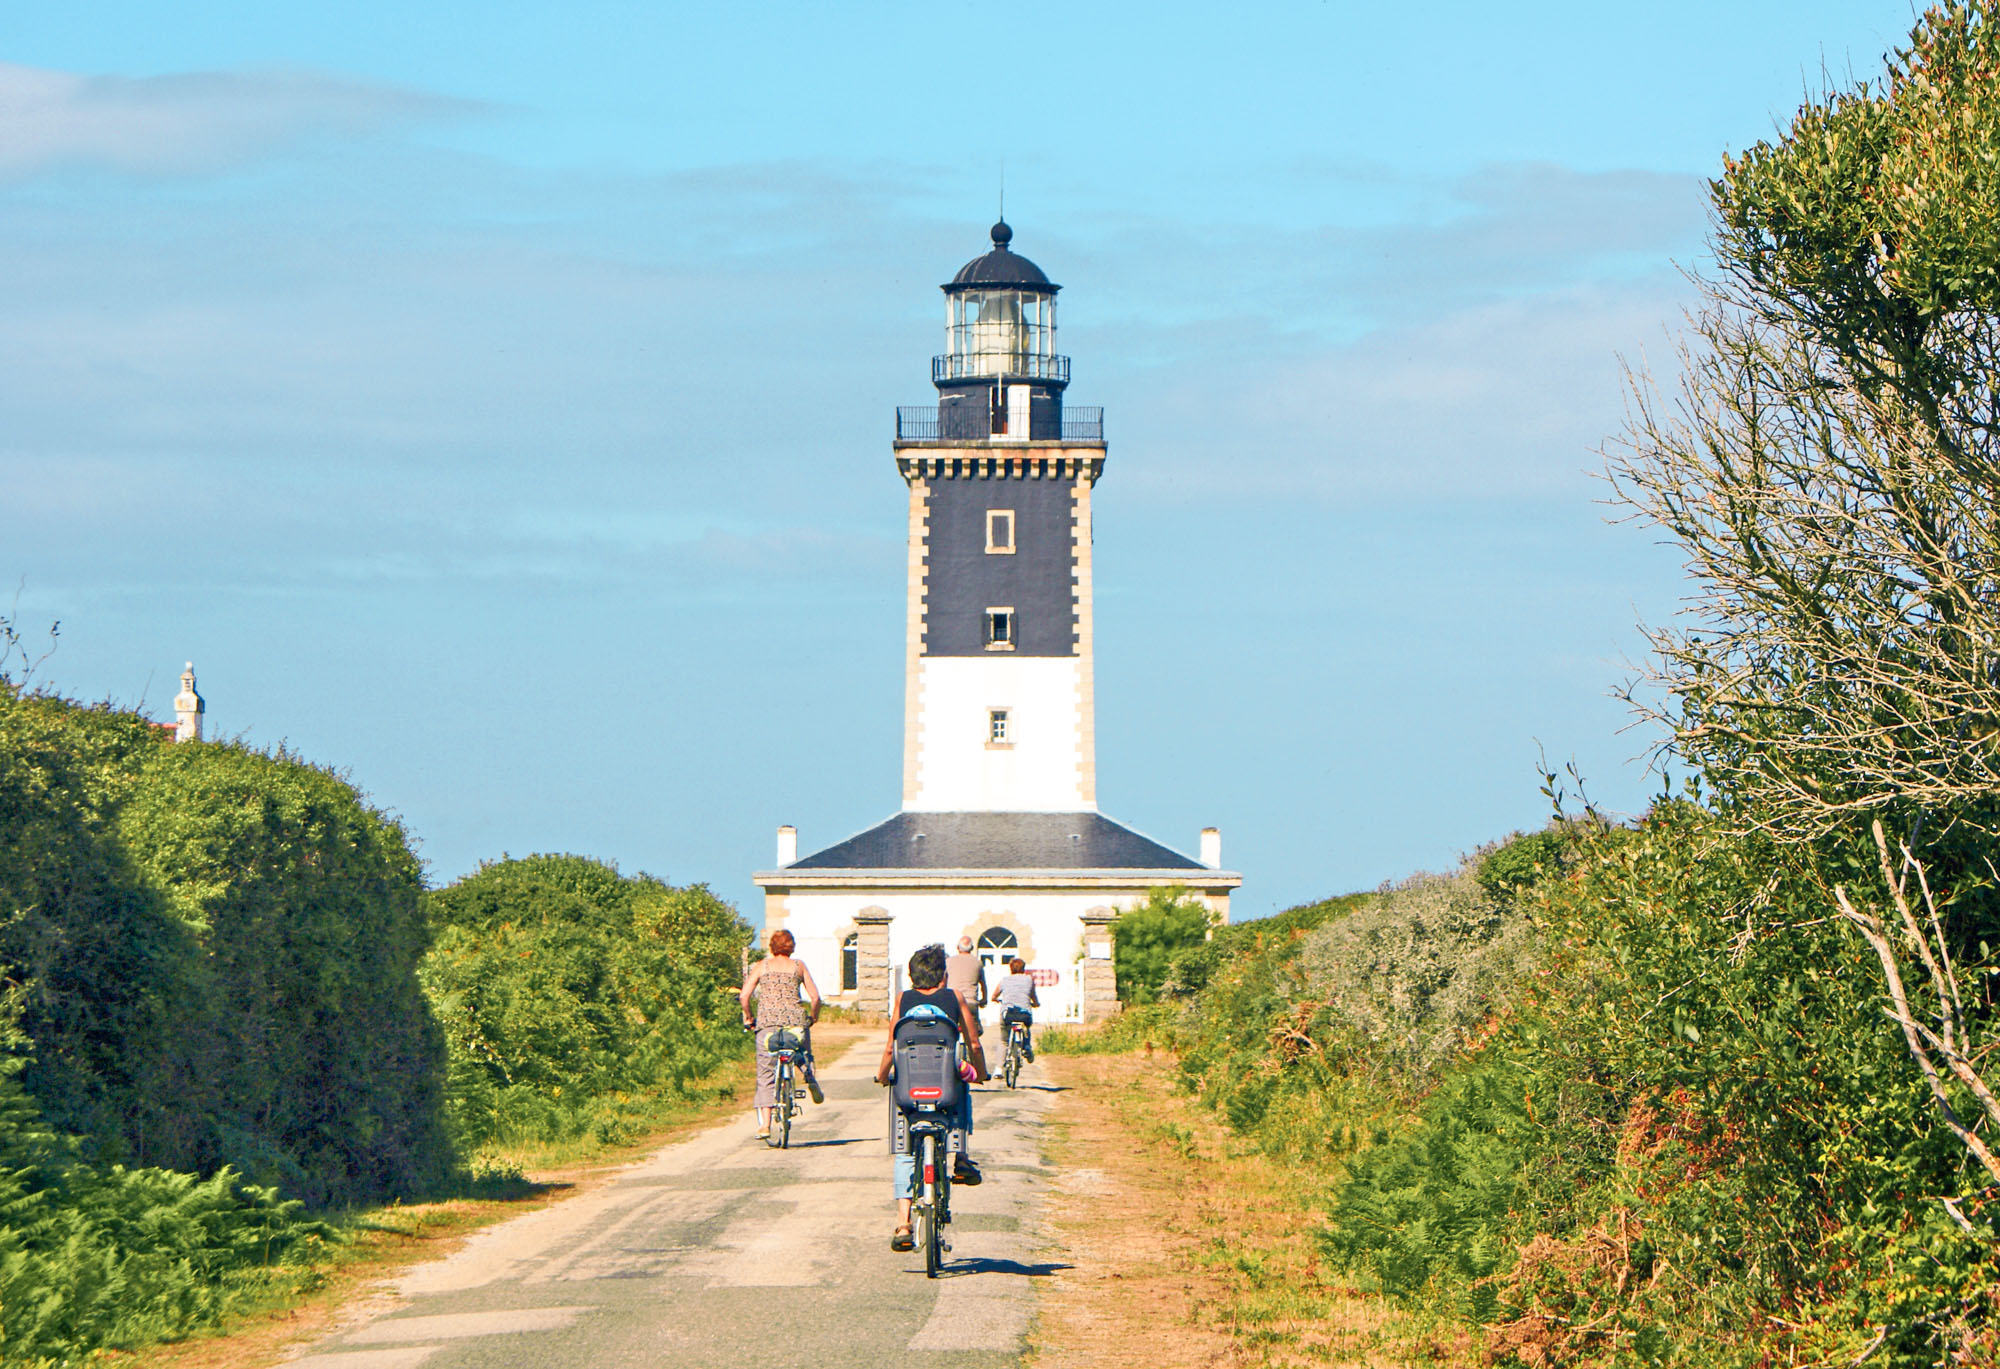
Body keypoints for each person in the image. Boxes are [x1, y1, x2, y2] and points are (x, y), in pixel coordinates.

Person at [876, 943, 986, 1251]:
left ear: (912, 976)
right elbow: (973, 1043)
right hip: (945, 1088)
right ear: (943, 976)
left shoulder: (903, 999)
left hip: (908, 1089)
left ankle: (902, 1223)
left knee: (905, 1151)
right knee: (961, 1085)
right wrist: (982, 1072)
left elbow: (889, 1047)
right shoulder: (954, 998)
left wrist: (882, 1075)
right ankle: (960, 1156)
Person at [740, 929, 822, 1139]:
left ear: (772, 946)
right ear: (791, 946)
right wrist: (813, 1017)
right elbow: (815, 998)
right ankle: (809, 1076)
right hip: (795, 1022)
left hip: (767, 1024)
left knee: (766, 1073)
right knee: (803, 1051)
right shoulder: (798, 966)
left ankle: (765, 1125)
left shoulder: (762, 966)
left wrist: (749, 1017)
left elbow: (744, 995)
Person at [993, 956, 1039, 1062]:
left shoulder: (1004, 980)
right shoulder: (1029, 980)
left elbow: (994, 995)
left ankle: (999, 1069)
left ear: (1011, 968)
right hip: (1024, 1014)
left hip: (1008, 1013)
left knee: (1004, 1041)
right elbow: (1033, 996)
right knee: (1026, 1027)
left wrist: (996, 999)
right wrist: (1036, 1004)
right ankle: (1026, 1046)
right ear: (1023, 969)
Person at [945, 935, 988, 1033]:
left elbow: (943, 981)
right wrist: (984, 1000)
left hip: (953, 1001)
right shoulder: (978, 963)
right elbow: (983, 984)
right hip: (970, 1002)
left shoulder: (948, 962)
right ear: (972, 948)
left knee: (950, 1029)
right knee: (975, 1032)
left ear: (957, 947)